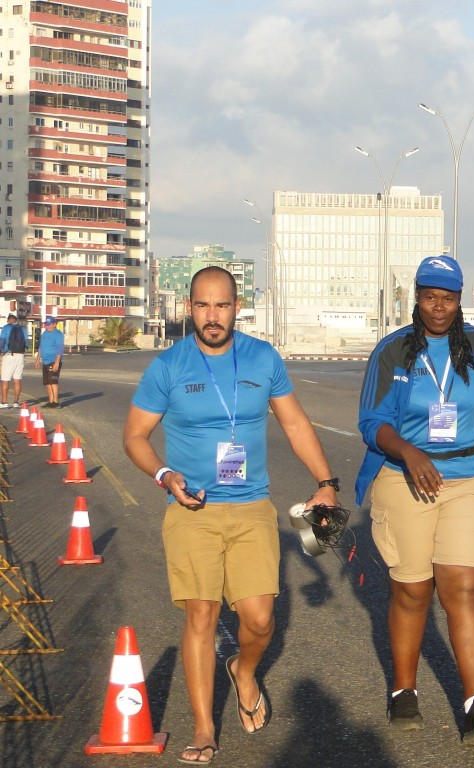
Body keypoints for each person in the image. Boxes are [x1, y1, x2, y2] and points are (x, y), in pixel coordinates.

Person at [123, 266, 339, 764]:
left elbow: (293, 421)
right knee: (201, 615)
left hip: (251, 508)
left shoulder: (262, 358)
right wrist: (163, 476)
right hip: (191, 509)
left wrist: (326, 482)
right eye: (202, 305)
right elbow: (134, 436)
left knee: (260, 621)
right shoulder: (169, 365)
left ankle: (243, 670)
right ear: (188, 307)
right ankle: (204, 729)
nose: (212, 316)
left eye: (222, 305)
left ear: (236, 308)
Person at [356, 255, 474, 745]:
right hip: (406, 478)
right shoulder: (394, 351)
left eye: (447, 299)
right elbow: (371, 422)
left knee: (464, 586)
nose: (438, 308)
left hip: (469, 477)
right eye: (429, 298)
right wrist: (407, 451)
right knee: (412, 589)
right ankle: (404, 690)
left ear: (460, 300)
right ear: (416, 298)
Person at [35, 315, 64, 408]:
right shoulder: (44, 334)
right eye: (46, 324)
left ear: (54, 324)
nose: (47, 326)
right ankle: (50, 401)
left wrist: (57, 362)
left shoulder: (58, 334)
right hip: (45, 361)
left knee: (53, 381)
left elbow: (59, 349)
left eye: (49, 324)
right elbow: (41, 346)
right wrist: (38, 358)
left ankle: (56, 401)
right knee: (47, 382)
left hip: (53, 360)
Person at [0, 313, 28, 408]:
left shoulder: (6, 328)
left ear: (8, 320)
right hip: (20, 355)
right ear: (16, 320)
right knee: (17, 379)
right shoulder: (23, 329)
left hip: (9, 354)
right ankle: (16, 402)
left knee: (5, 380)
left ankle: (4, 402)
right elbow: (26, 343)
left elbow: (2, 341)